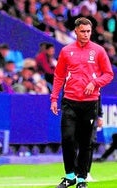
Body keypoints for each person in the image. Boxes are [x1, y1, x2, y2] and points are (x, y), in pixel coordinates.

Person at [50, 17, 113, 188]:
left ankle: (81, 178)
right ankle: (70, 175)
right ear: (76, 31)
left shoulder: (99, 51)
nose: (86, 34)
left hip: (90, 103)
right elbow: (59, 75)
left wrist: (95, 83)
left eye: (88, 31)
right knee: (68, 138)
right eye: (83, 31)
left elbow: (108, 74)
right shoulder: (66, 51)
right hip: (69, 101)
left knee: (86, 142)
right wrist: (54, 98)